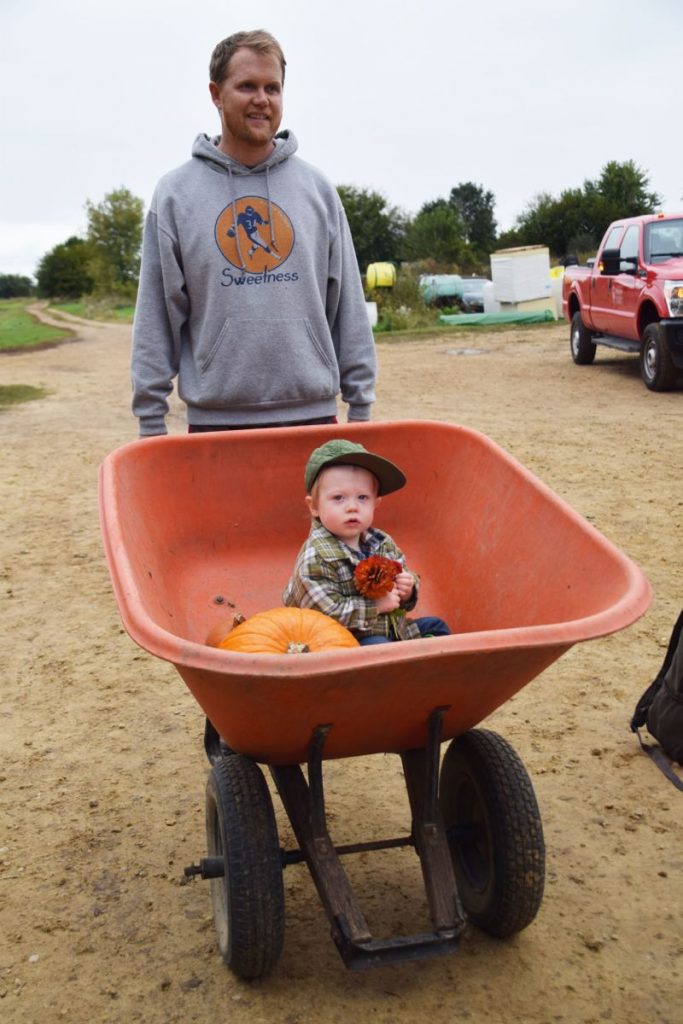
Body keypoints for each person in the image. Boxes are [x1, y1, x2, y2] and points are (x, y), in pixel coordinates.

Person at [131, 29, 376, 437]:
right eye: (247, 86)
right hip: (215, 425)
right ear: (216, 93)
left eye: (272, 88)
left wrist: (362, 409)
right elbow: (156, 315)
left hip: (314, 420)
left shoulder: (317, 191)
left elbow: (347, 304)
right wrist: (151, 425)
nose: (262, 99)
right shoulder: (175, 195)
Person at [283, 440, 450, 645]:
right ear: (314, 506)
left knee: (436, 626)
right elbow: (326, 616)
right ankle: (394, 669)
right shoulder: (316, 558)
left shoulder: (381, 542)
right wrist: (376, 607)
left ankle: (424, 669)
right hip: (341, 641)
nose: (352, 507)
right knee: (378, 646)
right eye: (338, 498)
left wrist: (407, 589)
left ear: (375, 503)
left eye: (362, 497)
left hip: (390, 627)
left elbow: (399, 586)